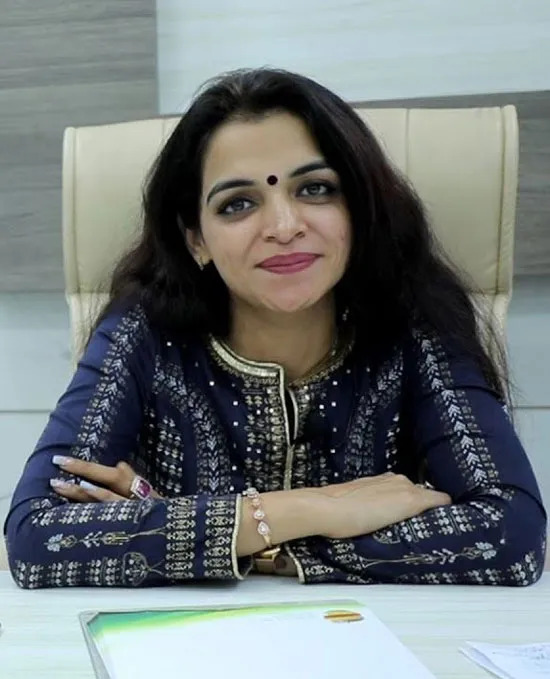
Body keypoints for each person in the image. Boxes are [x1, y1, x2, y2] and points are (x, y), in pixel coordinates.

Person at [4, 68, 546, 589]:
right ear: (196, 239)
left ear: (357, 207)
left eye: (315, 189)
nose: (285, 227)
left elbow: (512, 534)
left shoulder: (413, 324)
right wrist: (309, 509)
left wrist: (230, 538)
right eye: (238, 204)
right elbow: (35, 537)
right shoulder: (144, 332)